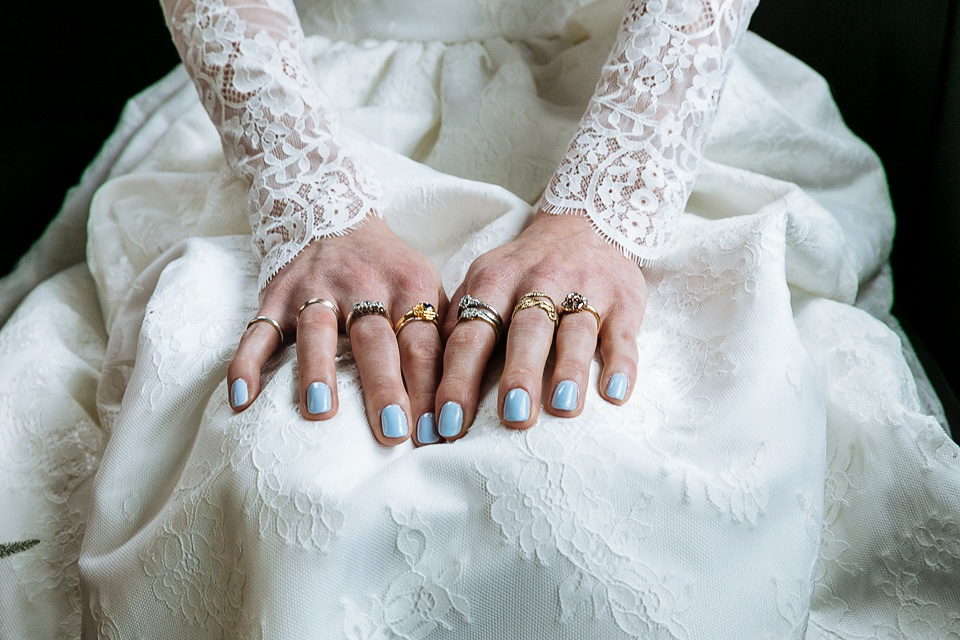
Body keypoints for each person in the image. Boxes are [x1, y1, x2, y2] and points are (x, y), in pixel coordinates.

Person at [1, 0, 958, 637]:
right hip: (313, 110)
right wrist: (306, 199)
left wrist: (607, 205)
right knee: (283, 461)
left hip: (637, 99)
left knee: (623, 464)